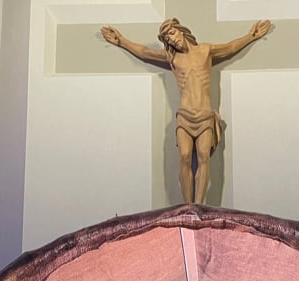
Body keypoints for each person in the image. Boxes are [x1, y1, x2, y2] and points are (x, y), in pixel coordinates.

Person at [100, 17, 271, 204]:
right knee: (184, 156)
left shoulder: (205, 50)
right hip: (185, 115)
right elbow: (144, 52)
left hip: (205, 115)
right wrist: (122, 40)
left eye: (172, 34)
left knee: (204, 157)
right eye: (167, 39)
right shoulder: (172, 58)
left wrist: (251, 36)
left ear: (181, 30)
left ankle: (198, 205)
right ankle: (187, 206)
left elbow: (229, 48)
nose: (171, 40)